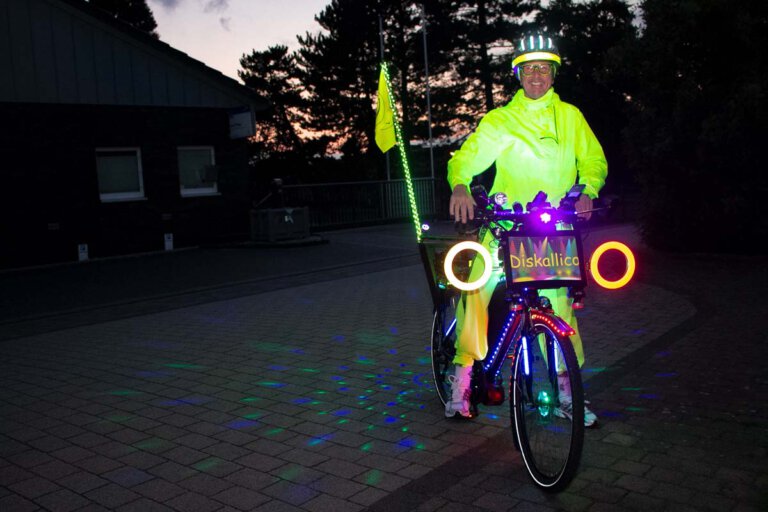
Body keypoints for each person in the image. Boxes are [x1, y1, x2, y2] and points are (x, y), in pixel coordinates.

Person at [445, 33, 607, 426]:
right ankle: (462, 381)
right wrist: (461, 184)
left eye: (544, 68)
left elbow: (594, 160)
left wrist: (588, 188)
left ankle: (568, 393)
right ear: (518, 74)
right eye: (529, 68)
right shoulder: (501, 120)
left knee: (562, 308)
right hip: (506, 227)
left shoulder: (571, 117)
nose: (537, 75)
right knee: (477, 294)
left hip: (554, 230)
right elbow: (466, 158)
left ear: (553, 74)